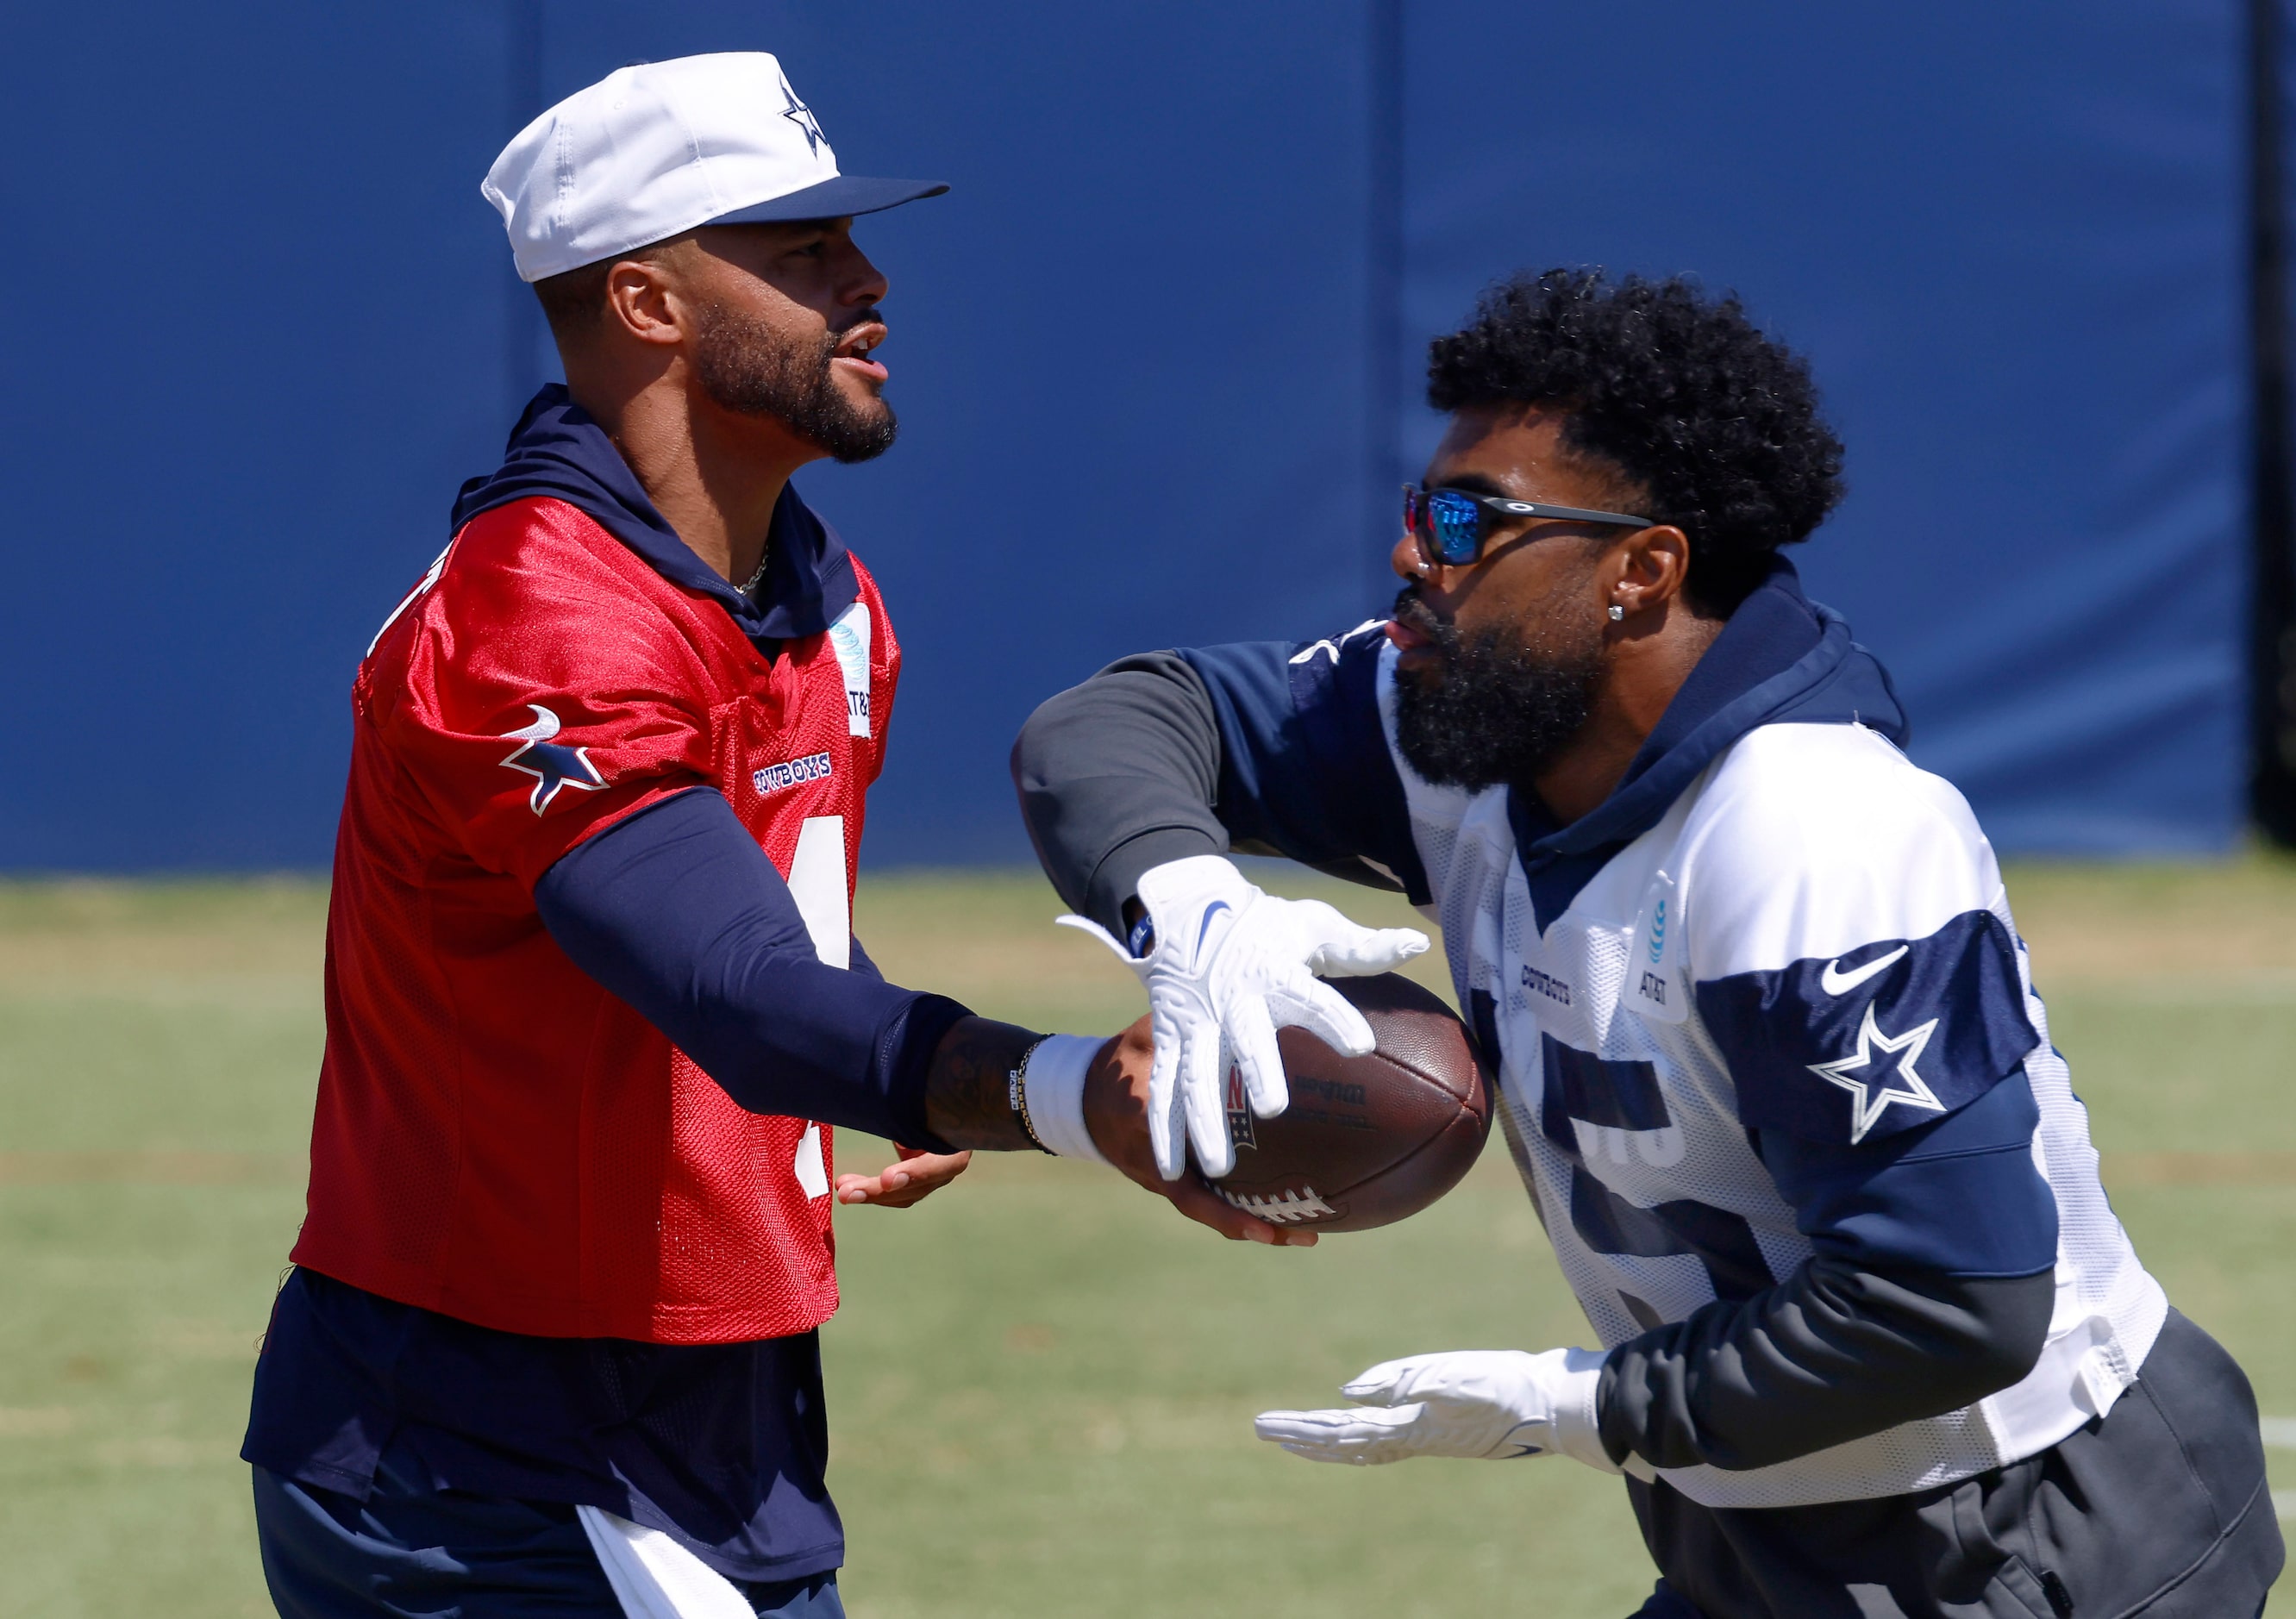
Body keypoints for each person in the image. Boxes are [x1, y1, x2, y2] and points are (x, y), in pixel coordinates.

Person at [240, 52, 1422, 1619]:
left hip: (711, 1410)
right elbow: (730, 982)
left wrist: (879, 1067)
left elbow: (771, 942)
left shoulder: (826, 599)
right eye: (801, 253)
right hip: (483, 1445)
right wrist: (1061, 1089)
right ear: (649, 304)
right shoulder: (536, 618)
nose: (866, 283)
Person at [1011, 269, 2284, 1617]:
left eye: (1468, 520)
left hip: (2017, 1530)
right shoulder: (1477, 734)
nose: (1413, 557)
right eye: (1417, 511)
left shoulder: (1814, 829)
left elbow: (1949, 1301)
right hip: (1757, 1515)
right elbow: (1121, 723)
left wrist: (1575, 1403)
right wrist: (1190, 897)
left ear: (1640, 571)